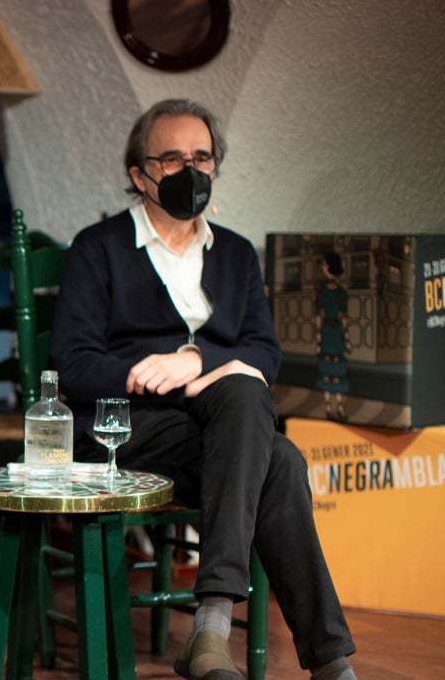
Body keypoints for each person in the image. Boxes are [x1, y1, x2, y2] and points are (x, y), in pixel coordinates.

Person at [51, 99, 357, 680]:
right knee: (281, 460)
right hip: (126, 430)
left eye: (201, 156)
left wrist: (193, 360)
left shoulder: (237, 254)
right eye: (171, 158)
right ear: (139, 174)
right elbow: (71, 362)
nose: (189, 169)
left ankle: (211, 630)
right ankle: (328, 664)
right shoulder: (99, 248)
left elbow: (265, 352)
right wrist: (147, 370)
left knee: (246, 395)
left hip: (217, 425)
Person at [315, 251, 350, 421]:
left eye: (324, 264)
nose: (322, 267)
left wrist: (347, 338)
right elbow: (319, 316)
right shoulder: (321, 292)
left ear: (329, 267)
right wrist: (318, 337)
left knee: (338, 369)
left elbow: (343, 317)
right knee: (326, 369)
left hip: (335, 332)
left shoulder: (340, 292)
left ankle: (340, 408)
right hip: (328, 332)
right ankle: (329, 408)